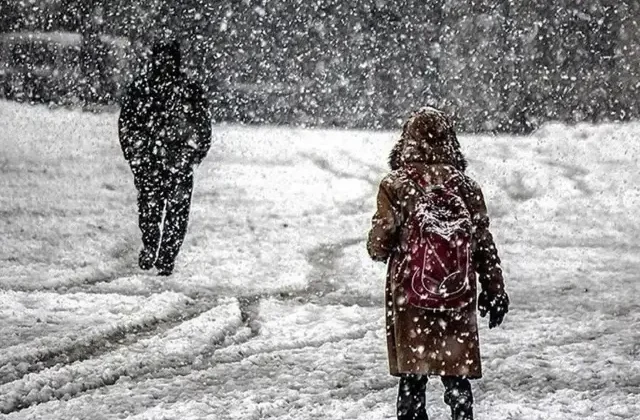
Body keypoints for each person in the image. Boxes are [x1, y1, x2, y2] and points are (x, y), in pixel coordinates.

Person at [367, 107, 509, 420]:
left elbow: (381, 240)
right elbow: (482, 242)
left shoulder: (395, 186)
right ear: (450, 142)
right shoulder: (467, 188)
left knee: (412, 377)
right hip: (456, 293)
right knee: (455, 371)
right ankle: (461, 414)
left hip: (410, 294)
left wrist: (378, 247)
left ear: (407, 142)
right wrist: (494, 288)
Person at [118, 40, 212, 276]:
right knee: (174, 213)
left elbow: (127, 124)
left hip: (156, 159)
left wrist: (135, 153)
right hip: (172, 160)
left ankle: (154, 248)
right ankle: (163, 255)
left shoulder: (143, 88)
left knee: (153, 208)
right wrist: (193, 154)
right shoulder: (186, 89)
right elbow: (203, 127)